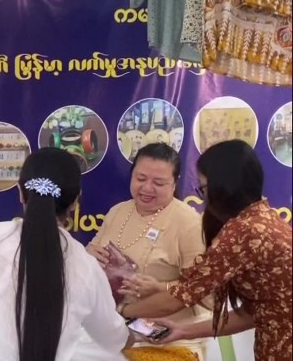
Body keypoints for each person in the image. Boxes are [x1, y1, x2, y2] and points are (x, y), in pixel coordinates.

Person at [0, 148, 134, 360]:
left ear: (20, 192)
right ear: (76, 201)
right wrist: (135, 337)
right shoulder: (86, 266)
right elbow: (111, 335)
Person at [121, 140, 293, 360]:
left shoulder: (245, 233)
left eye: (203, 188)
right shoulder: (261, 218)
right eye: (141, 178)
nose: (147, 188)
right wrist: (182, 330)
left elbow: (179, 298)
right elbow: (252, 313)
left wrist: (119, 312)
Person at [85, 143, 208, 358]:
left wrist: (161, 287)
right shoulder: (117, 212)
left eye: (158, 183)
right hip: (113, 332)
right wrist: (89, 256)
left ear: (175, 183)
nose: (147, 188)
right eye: (140, 179)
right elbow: (93, 256)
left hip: (168, 339)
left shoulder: (188, 223)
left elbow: (202, 290)